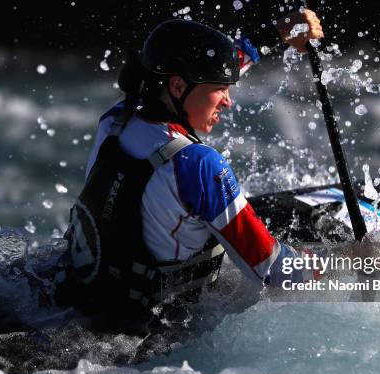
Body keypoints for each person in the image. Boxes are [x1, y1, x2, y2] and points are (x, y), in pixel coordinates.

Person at [55, 9, 324, 331]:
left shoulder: (116, 119)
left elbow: (210, 70)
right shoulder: (197, 164)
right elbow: (276, 273)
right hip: (154, 329)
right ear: (179, 87)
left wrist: (278, 32)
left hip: (85, 292)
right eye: (221, 89)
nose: (228, 102)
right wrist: (345, 263)